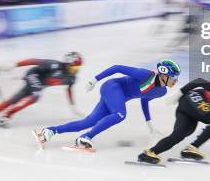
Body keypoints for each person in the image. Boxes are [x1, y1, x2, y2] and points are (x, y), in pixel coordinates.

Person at [34, 59, 181, 151]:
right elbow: (117, 67)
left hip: (118, 97)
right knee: (119, 115)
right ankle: (85, 138)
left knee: (88, 121)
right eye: (174, 77)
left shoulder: (161, 91)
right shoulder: (145, 74)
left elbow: (145, 99)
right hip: (112, 87)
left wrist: (149, 124)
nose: (175, 81)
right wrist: (95, 79)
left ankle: (50, 131)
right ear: (163, 74)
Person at [0, 52, 83, 127]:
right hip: (33, 75)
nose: (76, 70)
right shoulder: (54, 65)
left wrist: (72, 105)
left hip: (38, 84)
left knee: (12, 101)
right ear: (67, 64)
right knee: (36, 95)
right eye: (74, 67)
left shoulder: (71, 78)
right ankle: (6, 115)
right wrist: (15, 64)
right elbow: (34, 61)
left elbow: (69, 89)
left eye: (78, 67)